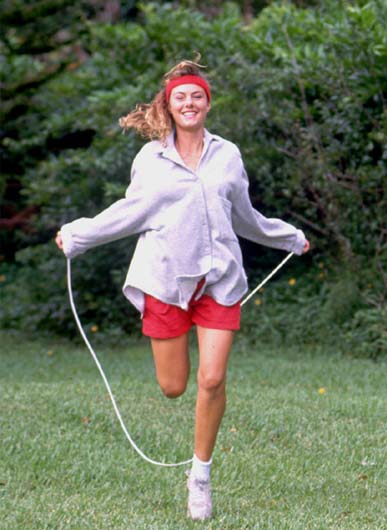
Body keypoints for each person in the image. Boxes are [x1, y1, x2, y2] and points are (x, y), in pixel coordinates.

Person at [56, 59, 310, 521]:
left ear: (208, 102)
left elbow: (246, 217)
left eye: (197, 96)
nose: (189, 103)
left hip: (220, 280)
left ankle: (200, 477)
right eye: (180, 98)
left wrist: (288, 237)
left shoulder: (228, 155)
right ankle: (190, 447)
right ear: (168, 107)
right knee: (174, 387)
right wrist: (79, 236)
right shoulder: (150, 159)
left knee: (211, 380)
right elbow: (128, 213)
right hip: (165, 280)